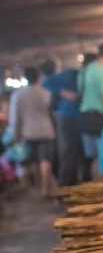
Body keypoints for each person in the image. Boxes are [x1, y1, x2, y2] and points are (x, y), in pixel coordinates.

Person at [43, 55, 90, 187]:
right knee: (73, 154)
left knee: (73, 154)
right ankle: (67, 187)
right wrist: (64, 93)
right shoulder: (69, 74)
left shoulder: (59, 78)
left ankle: (71, 186)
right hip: (72, 118)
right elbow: (47, 84)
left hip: (69, 118)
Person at [12, 67, 56, 197]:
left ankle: (32, 185)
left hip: (28, 132)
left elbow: (16, 117)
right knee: (45, 159)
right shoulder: (46, 93)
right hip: (46, 130)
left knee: (32, 159)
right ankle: (45, 188)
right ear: (38, 77)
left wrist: (16, 134)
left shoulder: (19, 95)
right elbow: (52, 113)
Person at [79, 43, 103, 181]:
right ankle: (102, 184)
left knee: (91, 157)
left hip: (84, 116)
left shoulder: (85, 70)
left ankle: (92, 184)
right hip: (98, 117)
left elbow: (80, 92)